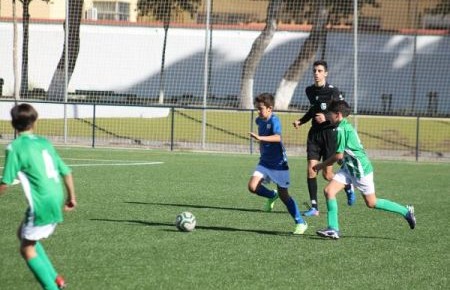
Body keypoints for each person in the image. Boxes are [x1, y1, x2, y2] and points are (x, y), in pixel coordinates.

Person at [313, 100, 416, 239]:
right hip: (349, 168)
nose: (327, 116)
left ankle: (406, 212)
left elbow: (338, 155)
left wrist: (320, 165)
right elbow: (346, 153)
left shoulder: (342, 129)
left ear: (338, 115)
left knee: (371, 203)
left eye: (329, 114)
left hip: (360, 170)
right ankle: (333, 229)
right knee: (329, 191)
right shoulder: (344, 126)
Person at [0, 103, 77, 289]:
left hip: (41, 201)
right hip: (56, 196)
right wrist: (71, 198)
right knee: (24, 235)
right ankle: (56, 279)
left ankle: (51, 287)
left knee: (27, 249)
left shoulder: (15, 147)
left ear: (13, 124)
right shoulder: (44, 143)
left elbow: (5, 183)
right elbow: (66, 171)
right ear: (35, 122)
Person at [293, 60, 355, 217]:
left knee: (327, 175)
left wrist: (327, 118)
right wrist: (301, 121)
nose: (316, 73)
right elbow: (313, 110)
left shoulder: (333, 92)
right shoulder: (309, 90)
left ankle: (347, 186)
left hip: (329, 135)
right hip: (314, 135)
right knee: (311, 170)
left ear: (325, 73)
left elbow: (344, 111)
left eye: (320, 71)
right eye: (314, 70)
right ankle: (314, 207)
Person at [248, 93, 308, 235]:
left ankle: (300, 222)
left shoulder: (275, 120)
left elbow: (277, 137)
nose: (258, 111)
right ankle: (271, 195)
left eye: (260, 108)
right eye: (257, 108)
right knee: (252, 186)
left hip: (278, 164)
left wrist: (259, 138)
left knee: (284, 196)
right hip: (264, 161)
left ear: (270, 108)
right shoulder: (259, 120)